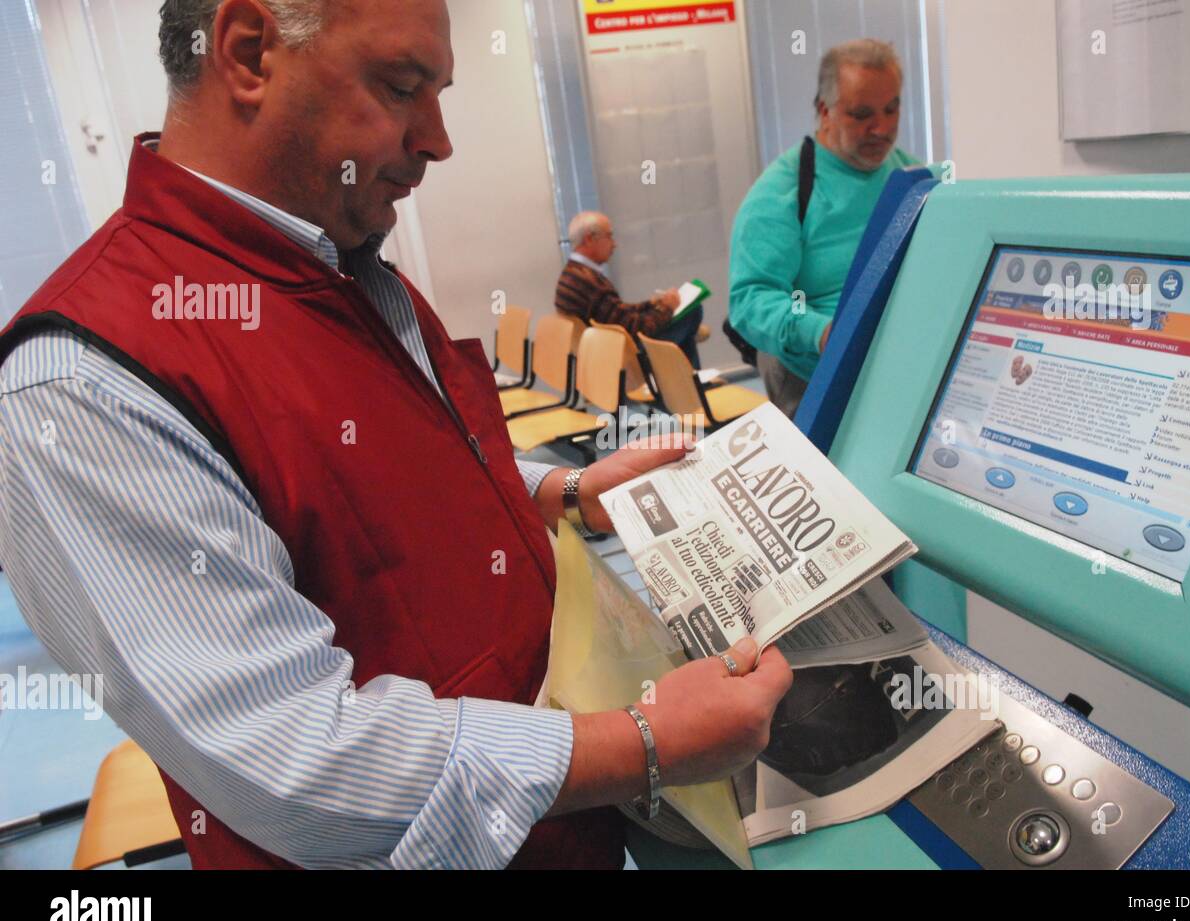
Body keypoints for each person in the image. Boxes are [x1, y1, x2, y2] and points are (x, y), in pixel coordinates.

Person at [0, 0, 790, 870]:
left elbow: (379, 474)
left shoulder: (343, 269)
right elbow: (301, 764)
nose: (439, 139)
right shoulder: (82, 386)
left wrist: (557, 490)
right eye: (403, 87)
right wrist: (643, 743)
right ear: (249, 51)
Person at [729, 39, 922, 418]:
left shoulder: (913, 177)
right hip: (813, 376)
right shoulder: (782, 193)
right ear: (825, 110)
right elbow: (750, 299)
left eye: (892, 108)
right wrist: (821, 332)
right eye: (862, 113)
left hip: (897, 370)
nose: (881, 127)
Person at [557, 211, 706, 368]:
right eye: (609, 236)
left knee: (686, 337)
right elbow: (636, 328)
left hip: (601, 352)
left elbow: (617, 312)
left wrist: (651, 304)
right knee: (692, 312)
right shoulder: (590, 282)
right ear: (589, 239)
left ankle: (691, 385)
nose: (614, 244)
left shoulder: (573, 274)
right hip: (624, 358)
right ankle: (692, 386)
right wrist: (667, 308)